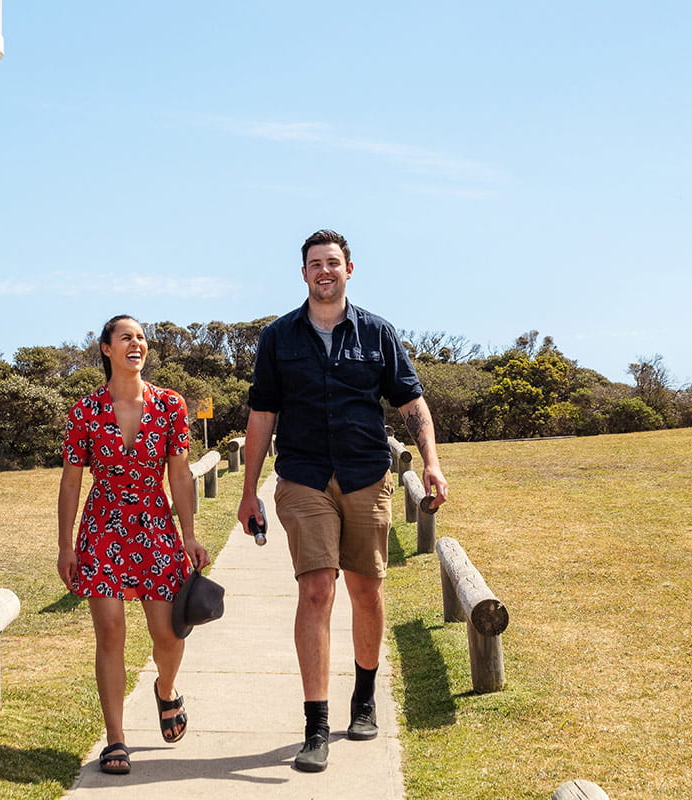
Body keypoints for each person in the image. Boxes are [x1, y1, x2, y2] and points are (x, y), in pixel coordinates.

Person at [237, 229, 449, 773]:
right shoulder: (277, 338)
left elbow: (411, 404)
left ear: (349, 270)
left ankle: (364, 696)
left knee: (367, 588)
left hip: (366, 475)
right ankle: (315, 725)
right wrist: (247, 492)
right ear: (303, 273)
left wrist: (431, 462)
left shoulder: (378, 333)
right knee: (315, 591)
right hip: (304, 477)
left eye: (333, 263)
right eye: (315, 264)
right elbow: (262, 416)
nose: (324, 271)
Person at [59, 314, 212, 776]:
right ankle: (116, 739)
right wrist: (65, 547)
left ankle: (166, 691)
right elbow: (70, 482)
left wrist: (189, 536)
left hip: (155, 527)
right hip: (102, 528)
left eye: (141, 338)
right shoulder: (84, 410)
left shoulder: (171, 405)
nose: (136, 344)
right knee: (110, 632)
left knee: (168, 634)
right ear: (106, 348)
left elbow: (180, 473)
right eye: (126, 337)